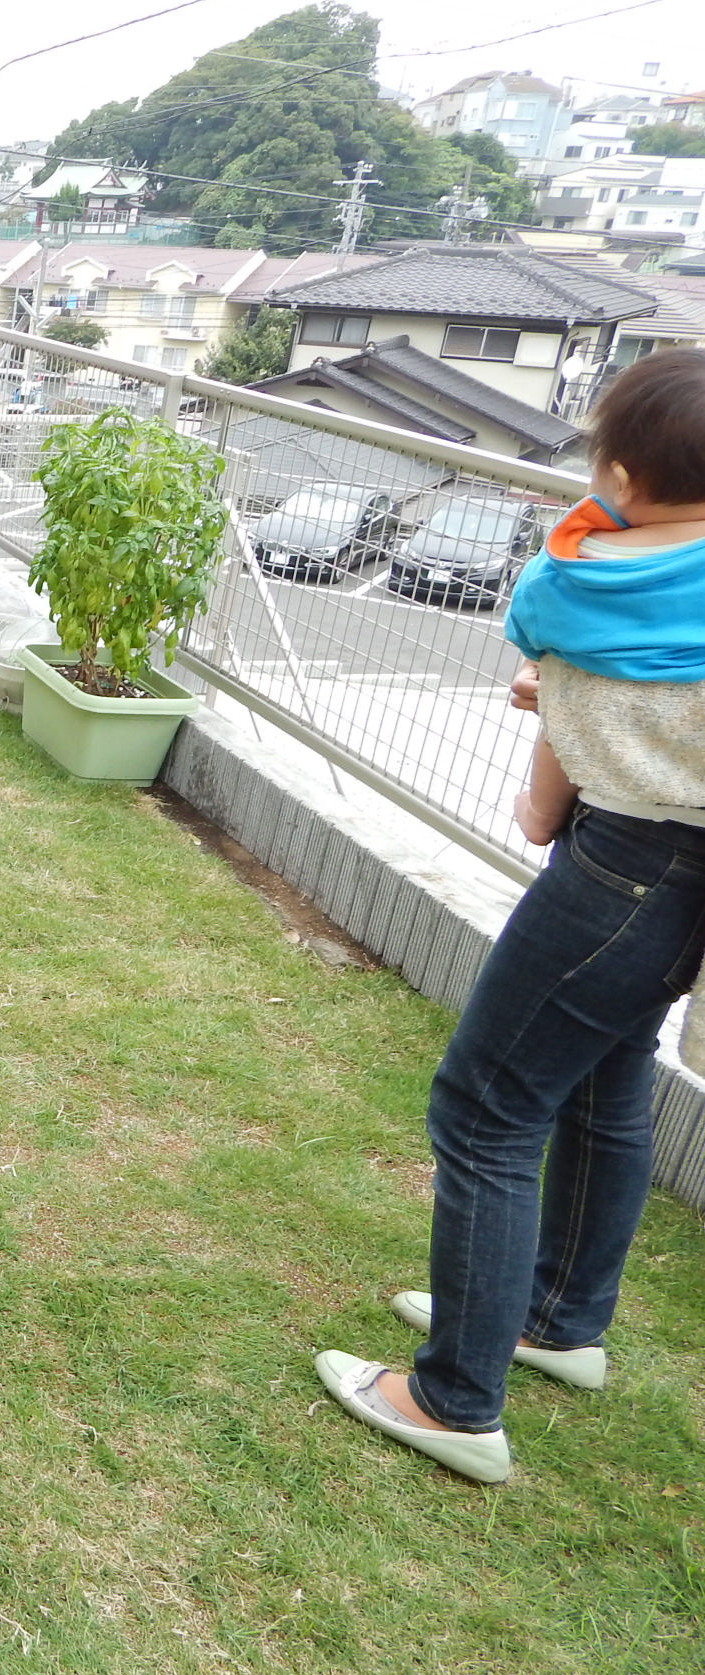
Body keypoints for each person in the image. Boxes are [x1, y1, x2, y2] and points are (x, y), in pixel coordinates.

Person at [315, 347, 705, 1484]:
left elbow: (542, 814)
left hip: (622, 869)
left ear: (623, 472)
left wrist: (561, 698)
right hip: (686, 887)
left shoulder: (587, 585)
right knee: (607, 1071)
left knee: (484, 1108)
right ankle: (559, 1320)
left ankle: (454, 1396)